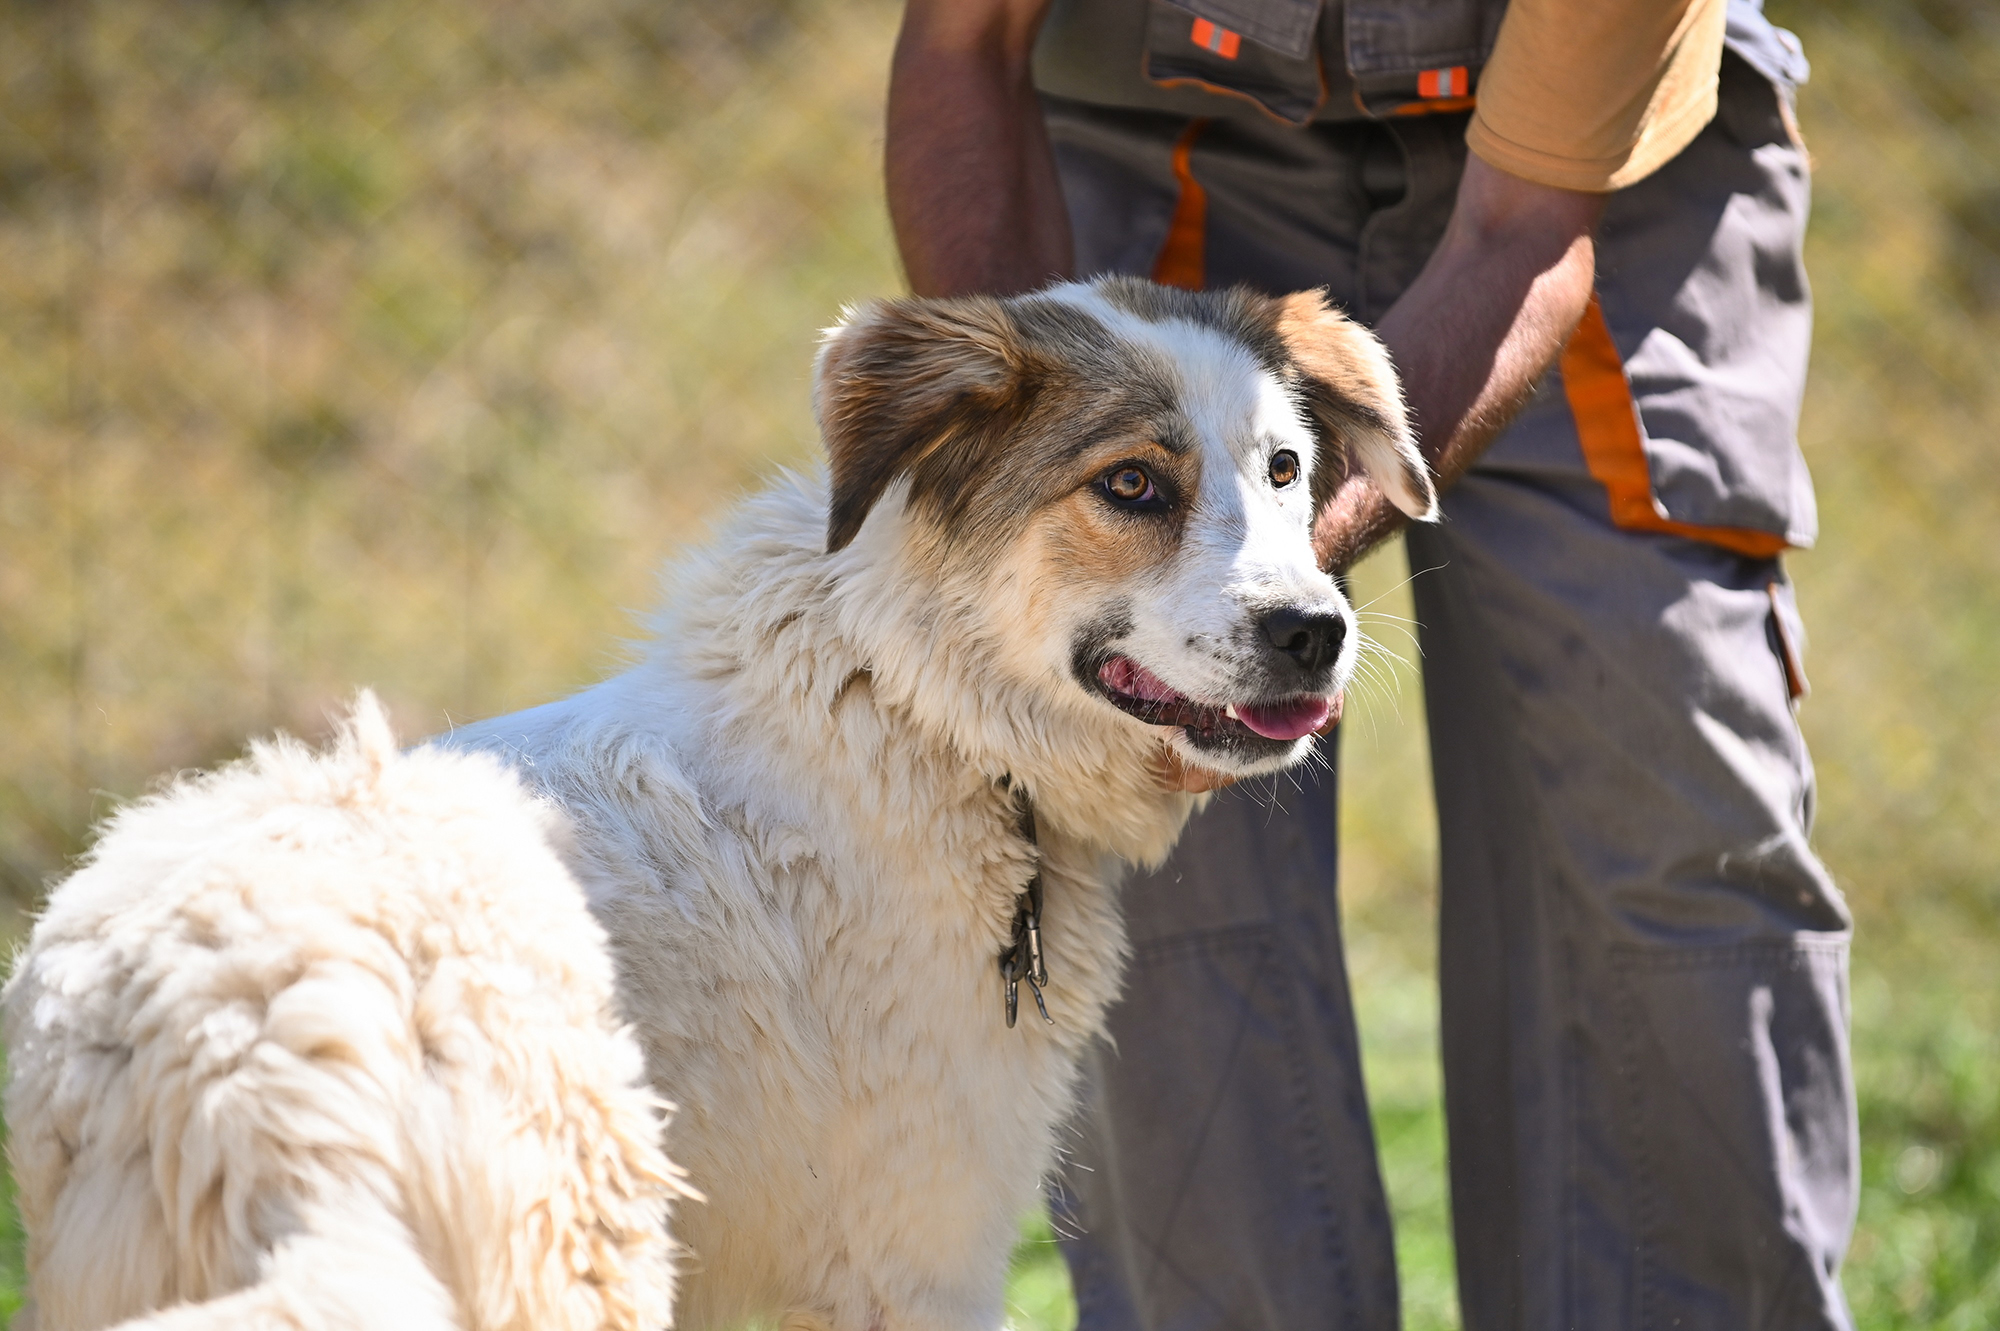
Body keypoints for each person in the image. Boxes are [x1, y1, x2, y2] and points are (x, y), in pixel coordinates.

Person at [883, 1, 1856, 1328]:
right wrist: (1033, 481)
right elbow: (961, 48)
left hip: (1602, 177)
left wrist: (1263, 577)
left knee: (1665, 795)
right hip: (1162, 128)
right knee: (1129, 818)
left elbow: (1525, 234)